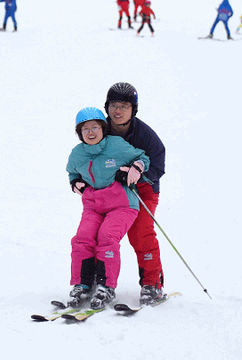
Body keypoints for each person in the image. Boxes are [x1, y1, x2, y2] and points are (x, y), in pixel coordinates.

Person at [66, 107, 150, 310]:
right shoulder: (77, 154)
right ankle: (82, 284)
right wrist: (76, 183)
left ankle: (106, 286)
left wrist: (135, 168)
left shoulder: (116, 146)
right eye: (85, 129)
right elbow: (72, 173)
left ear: (103, 128)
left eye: (95, 127)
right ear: (80, 133)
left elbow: (143, 158)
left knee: (107, 238)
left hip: (121, 204)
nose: (91, 132)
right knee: (82, 238)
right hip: (94, 205)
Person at [104, 82, 167, 305]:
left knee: (141, 232)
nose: (117, 111)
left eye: (124, 106)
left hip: (143, 191)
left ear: (133, 110)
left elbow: (158, 166)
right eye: (113, 105)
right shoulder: (100, 130)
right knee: (101, 234)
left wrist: (137, 174)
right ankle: (98, 282)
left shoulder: (146, 136)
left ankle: (152, 284)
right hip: (112, 192)